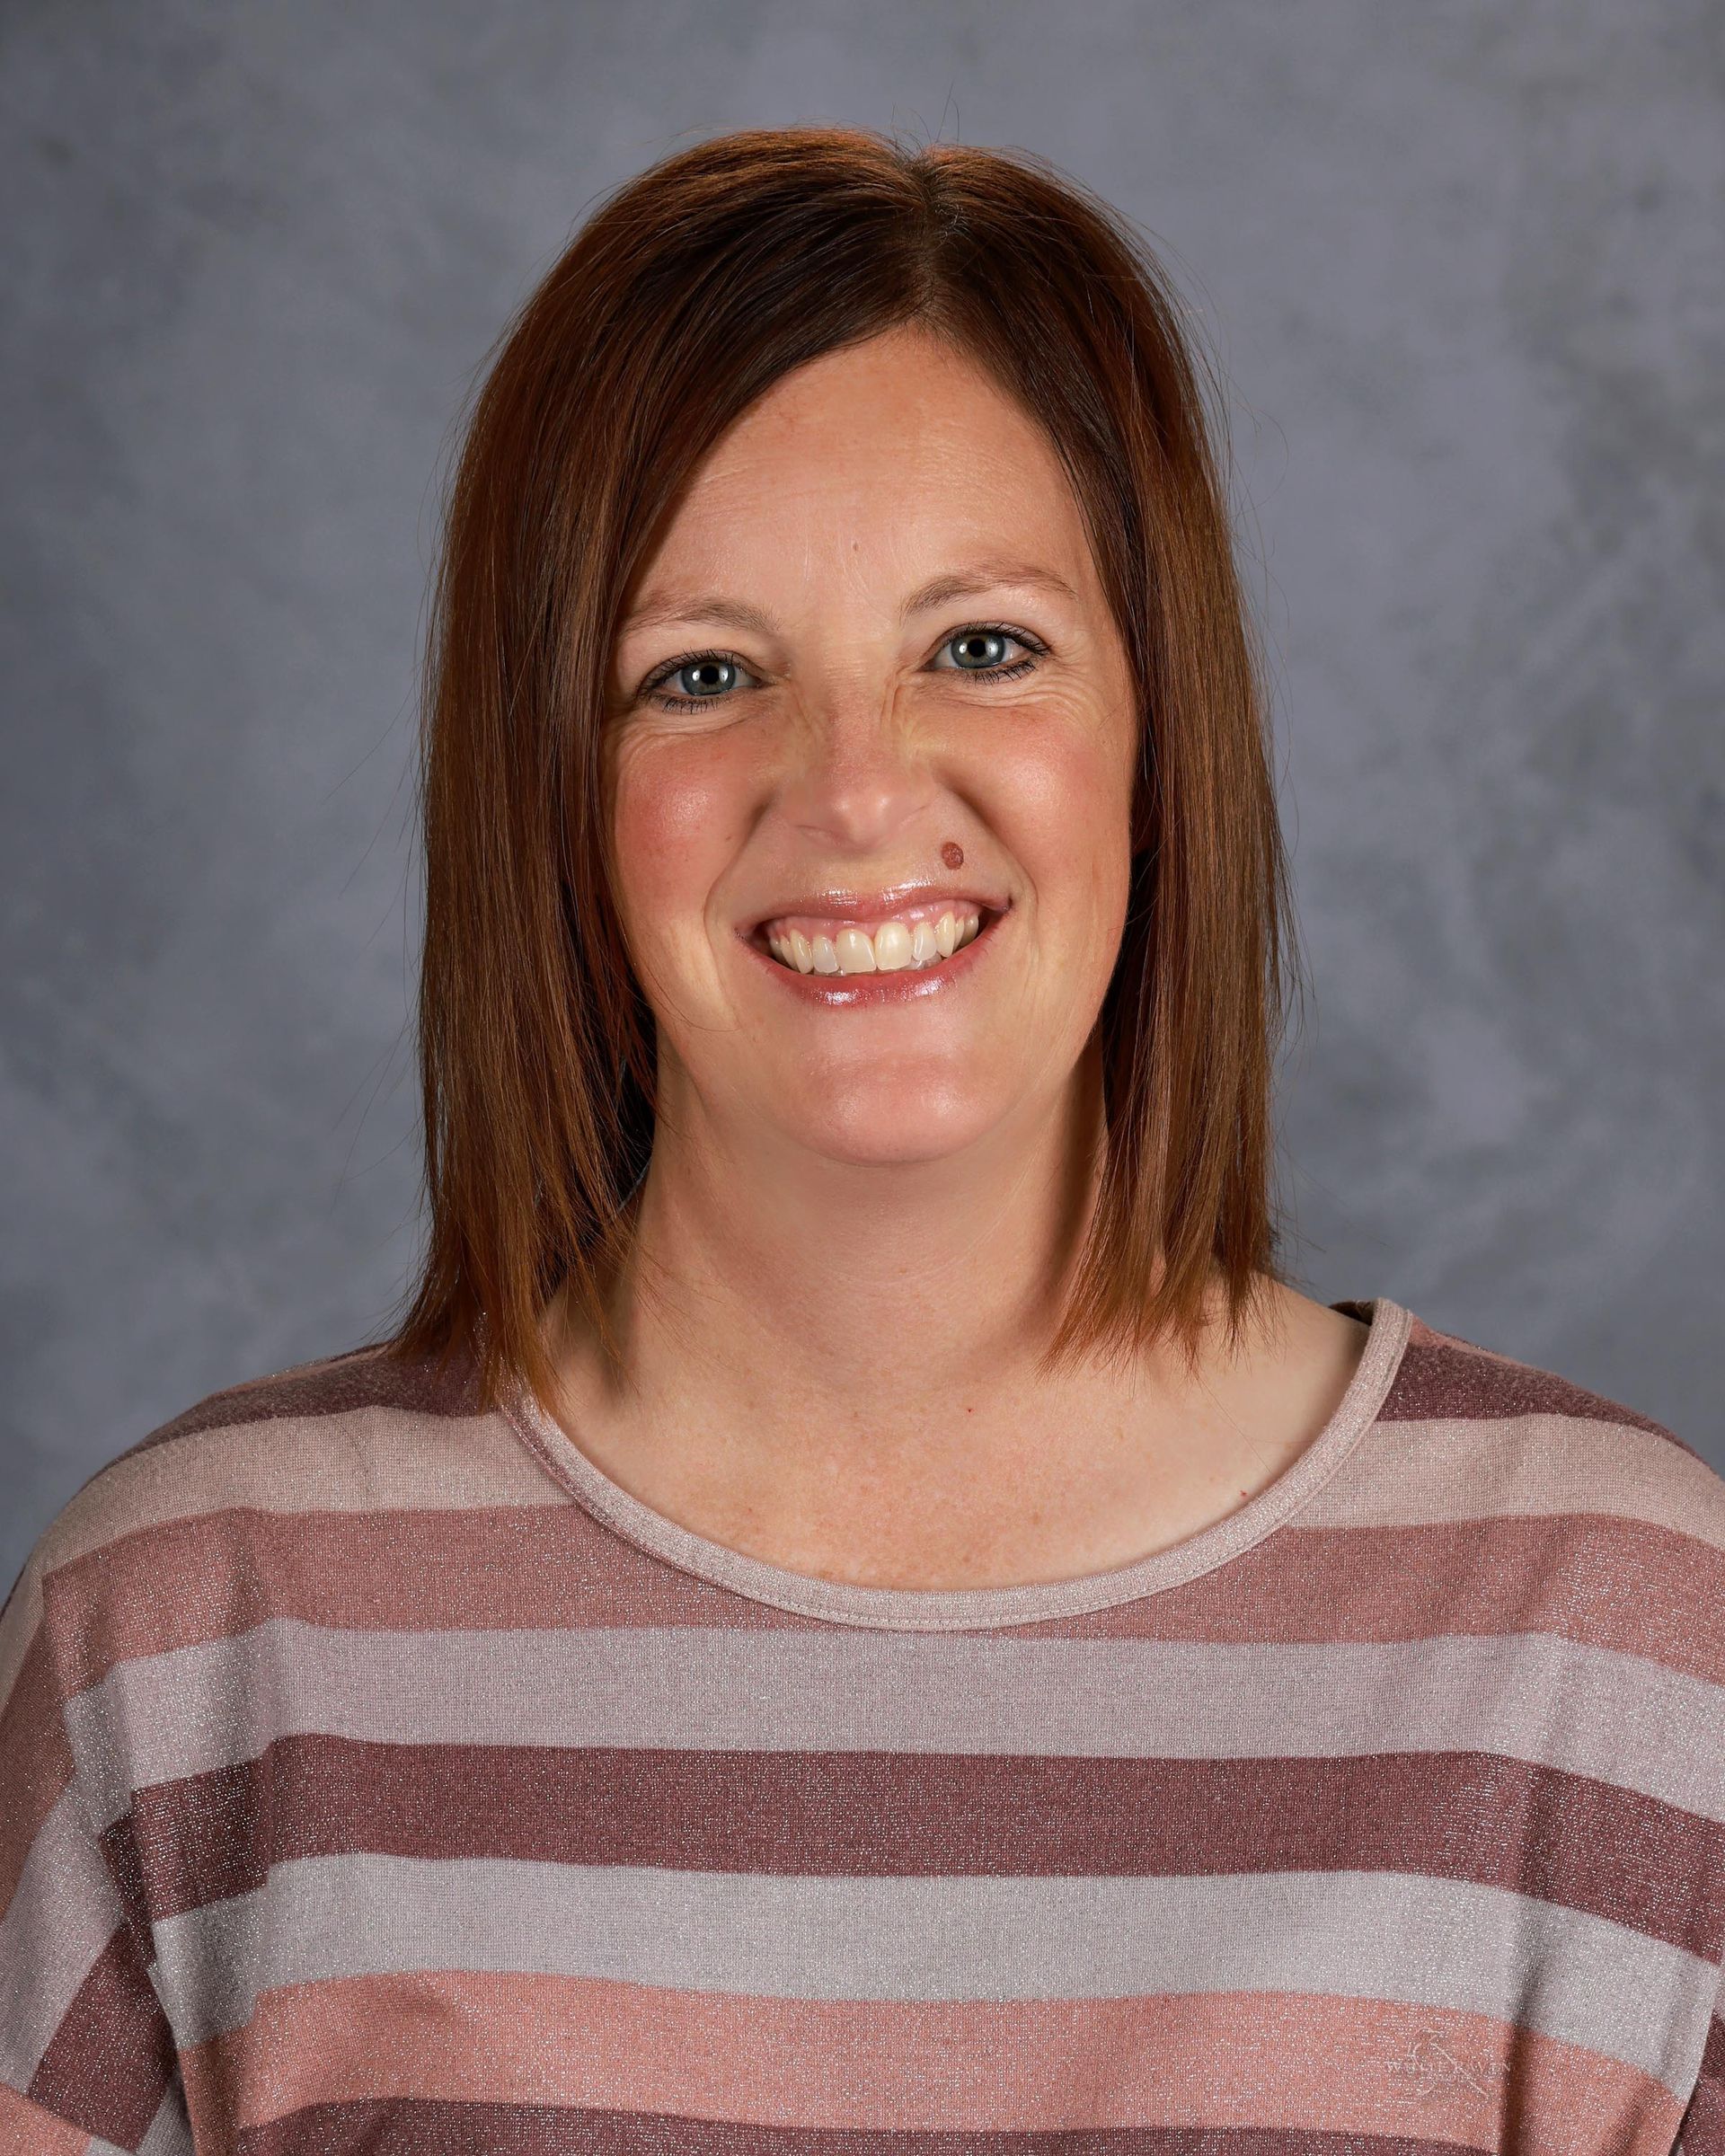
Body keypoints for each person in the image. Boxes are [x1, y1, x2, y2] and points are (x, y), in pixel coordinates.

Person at [3, 124, 1721, 2155]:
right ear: (549, 793)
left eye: (979, 646)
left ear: (1161, 736)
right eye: (701, 675)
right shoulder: (185, 1634)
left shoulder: (1627, 1650)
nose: (851, 790)